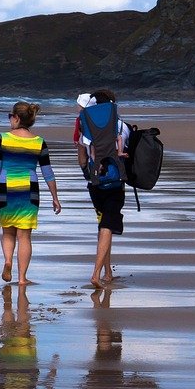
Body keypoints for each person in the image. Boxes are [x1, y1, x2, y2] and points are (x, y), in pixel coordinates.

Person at [0, 101, 61, 285]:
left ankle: (8, 261)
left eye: (10, 116)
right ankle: (22, 278)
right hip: (29, 191)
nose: (9, 119)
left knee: (8, 233)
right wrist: (55, 198)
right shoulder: (39, 142)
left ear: (17, 118)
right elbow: (47, 173)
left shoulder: (3, 138)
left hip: (5, 189)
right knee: (24, 236)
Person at [74, 89, 129, 287]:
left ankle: (107, 272)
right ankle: (96, 274)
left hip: (95, 183)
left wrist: (87, 174)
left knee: (103, 224)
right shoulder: (120, 126)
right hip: (115, 183)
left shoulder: (86, 124)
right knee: (107, 225)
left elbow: (81, 155)